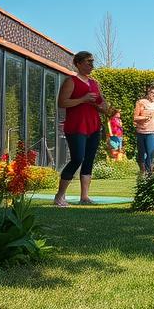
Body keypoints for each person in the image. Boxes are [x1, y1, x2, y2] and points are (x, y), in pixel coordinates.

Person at [53, 51, 110, 206]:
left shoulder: (94, 83)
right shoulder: (70, 81)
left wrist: (101, 107)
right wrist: (83, 99)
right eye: (87, 62)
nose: (91, 65)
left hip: (94, 127)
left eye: (92, 62)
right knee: (77, 158)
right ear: (78, 64)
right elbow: (62, 103)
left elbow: (104, 106)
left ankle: (84, 197)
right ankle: (59, 196)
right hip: (76, 126)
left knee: (89, 160)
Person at [132, 84, 154, 175]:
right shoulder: (141, 102)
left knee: (151, 154)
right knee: (141, 155)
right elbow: (135, 117)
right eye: (153, 93)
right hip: (141, 131)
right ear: (148, 92)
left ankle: (149, 174)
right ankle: (142, 172)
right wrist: (144, 117)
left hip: (153, 132)